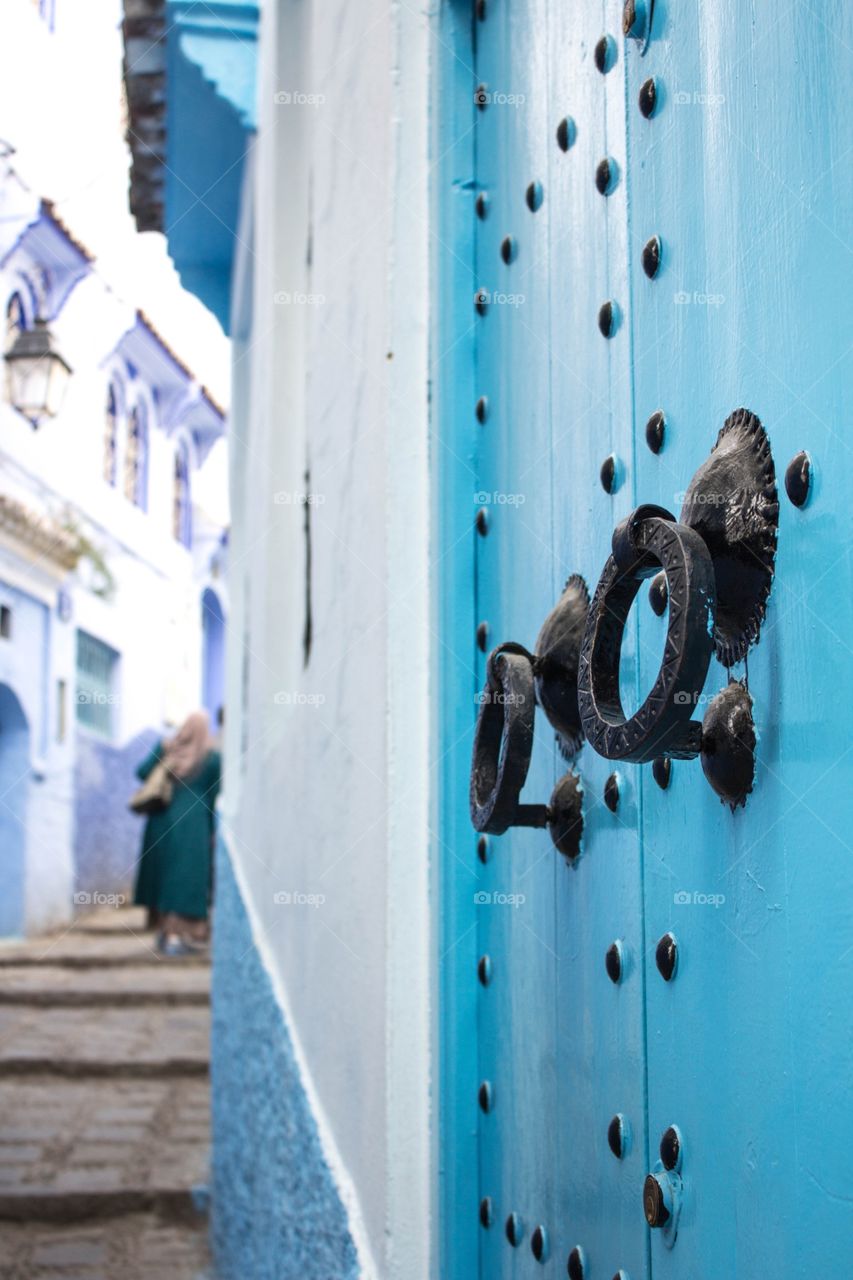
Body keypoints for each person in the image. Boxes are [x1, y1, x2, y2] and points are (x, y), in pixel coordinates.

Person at [132, 710, 221, 956]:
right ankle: (180, 936)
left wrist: (162, 751)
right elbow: (216, 795)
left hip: (161, 820)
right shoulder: (211, 759)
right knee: (189, 877)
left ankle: (164, 932)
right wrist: (213, 830)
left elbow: (141, 773)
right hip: (194, 824)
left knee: (162, 875)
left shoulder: (167, 749)